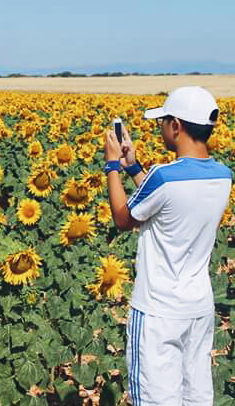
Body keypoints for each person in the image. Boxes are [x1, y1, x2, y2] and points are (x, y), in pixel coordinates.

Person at [103, 86, 232, 405]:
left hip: (158, 310)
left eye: (163, 121)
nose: (160, 128)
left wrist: (112, 167)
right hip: (198, 308)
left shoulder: (164, 177)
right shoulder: (222, 176)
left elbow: (123, 218)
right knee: (195, 396)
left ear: (177, 126)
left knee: (154, 398)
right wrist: (134, 167)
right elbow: (170, 202)